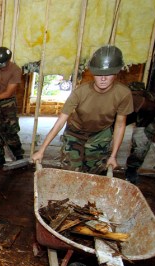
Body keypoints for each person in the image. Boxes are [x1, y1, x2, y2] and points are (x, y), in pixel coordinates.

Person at [32, 45, 133, 174]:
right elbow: (60, 122)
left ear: (117, 72)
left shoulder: (123, 94)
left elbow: (120, 125)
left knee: (93, 173)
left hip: (100, 134)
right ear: (92, 72)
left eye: (108, 74)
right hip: (75, 132)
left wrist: (113, 156)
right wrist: (42, 150)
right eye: (99, 74)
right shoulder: (80, 92)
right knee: (70, 172)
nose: (103, 78)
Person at [125, 82, 155, 184]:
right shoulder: (128, 100)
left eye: (137, 94)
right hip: (140, 114)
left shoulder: (150, 102)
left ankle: (132, 170)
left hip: (152, 116)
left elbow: (153, 109)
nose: (135, 96)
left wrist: (141, 128)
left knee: (142, 141)